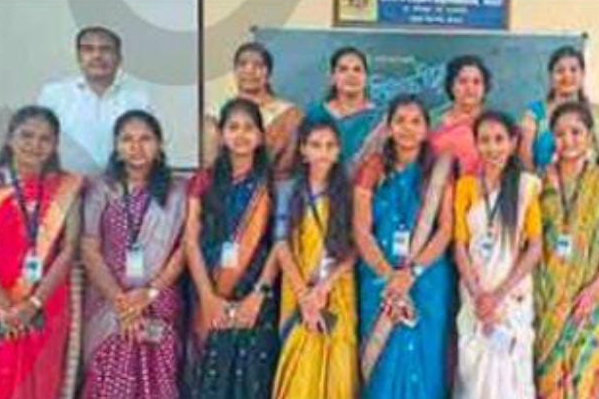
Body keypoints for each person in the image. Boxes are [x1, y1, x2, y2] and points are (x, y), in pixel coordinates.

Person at [354, 94, 455, 398]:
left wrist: (412, 273)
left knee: (424, 358)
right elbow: (361, 230)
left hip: (426, 278)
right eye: (400, 121)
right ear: (388, 127)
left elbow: (445, 229)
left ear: (426, 129)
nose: (407, 128)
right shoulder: (372, 167)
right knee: (383, 360)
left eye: (415, 122)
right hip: (379, 278)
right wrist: (390, 276)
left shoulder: (438, 169)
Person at [80, 110, 186, 399]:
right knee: (109, 378)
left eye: (145, 139)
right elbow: (89, 249)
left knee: (158, 377)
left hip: (159, 298)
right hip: (109, 301)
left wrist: (149, 293)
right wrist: (122, 303)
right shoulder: (101, 189)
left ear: (159, 144)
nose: (136, 147)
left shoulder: (178, 191)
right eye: (127, 139)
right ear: (116, 146)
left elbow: (184, 249)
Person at [0, 106, 84, 399]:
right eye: (26, 135)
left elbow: (69, 249)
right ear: (9, 138)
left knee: (41, 382)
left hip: (45, 304)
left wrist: (33, 304)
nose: (34, 145)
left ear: (55, 145)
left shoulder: (68, 187)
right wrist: (5, 307)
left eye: (45, 139)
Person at [183, 98, 280, 398]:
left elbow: (279, 244)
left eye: (249, 128)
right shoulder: (204, 181)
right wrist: (207, 298)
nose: (241, 134)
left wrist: (257, 296)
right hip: (209, 290)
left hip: (256, 297)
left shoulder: (271, 184)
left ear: (260, 137)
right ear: (222, 135)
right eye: (233, 127)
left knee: (251, 380)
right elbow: (190, 241)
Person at [534, 101, 599, 398]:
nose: (568, 140)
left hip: (590, 296)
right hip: (546, 298)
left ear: (589, 136)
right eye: (560, 134)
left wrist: (597, 287)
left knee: (584, 378)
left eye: (576, 132)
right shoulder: (537, 182)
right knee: (547, 380)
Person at [453, 110, 542, 399]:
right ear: (476, 144)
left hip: (511, 296)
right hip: (475, 294)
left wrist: (499, 295)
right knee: (475, 376)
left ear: (513, 143)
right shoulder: (465, 186)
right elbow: (459, 245)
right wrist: (479, 295)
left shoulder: (525, 187)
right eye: (485, 140)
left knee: (512, 377)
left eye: (499, 139)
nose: (492, 148)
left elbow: (535, 247)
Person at [272, 119, 359, 398]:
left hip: (337, 289)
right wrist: (305, 296)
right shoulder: (288, 190)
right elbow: (281, 244)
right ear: (303, 150)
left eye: (330, 146)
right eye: (316, 145)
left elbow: (355, 248)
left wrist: (324, 287)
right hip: (297, 289)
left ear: (338, 151)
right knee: (299, 368)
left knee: (338, 365)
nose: (323, 152)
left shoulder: (347, 192)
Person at [37, 26, 152, 176]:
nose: (97, 56)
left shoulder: (137, 99)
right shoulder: (54, 95)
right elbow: (39, 145)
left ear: (119, 58)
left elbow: (149, 147)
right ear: (79, 57)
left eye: (105, 49)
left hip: (121, 185)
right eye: (88, 49)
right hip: (66, 184)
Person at [203, 42, 303, 176]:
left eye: (258, 65)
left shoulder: (289, 115)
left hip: (275, 184)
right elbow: (210, 165)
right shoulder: (216, 114)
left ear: (269, 73)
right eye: (242, 64)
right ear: (235, 71)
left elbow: (290, 164)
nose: (249, 70)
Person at [519, 46, 599, 172]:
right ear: (551, 76)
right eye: (560, 71)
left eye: (573, 70)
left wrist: (590, 183)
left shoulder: (598, 117)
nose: (567, 76)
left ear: (583, 74)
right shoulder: (534, 115)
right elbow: (525, 159)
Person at [303, 46, 383, 172]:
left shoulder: (381, 118)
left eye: (357, 70)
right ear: (332, 77)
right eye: (343, 69)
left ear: (366, 78)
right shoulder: (316, 115)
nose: (351, 75)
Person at [430, 55, 489, 176]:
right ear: (451, 86)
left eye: (476, 82)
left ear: (484, 88)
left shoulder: (494, 124)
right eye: (462, 81)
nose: (470, 88)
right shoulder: (433, 123)